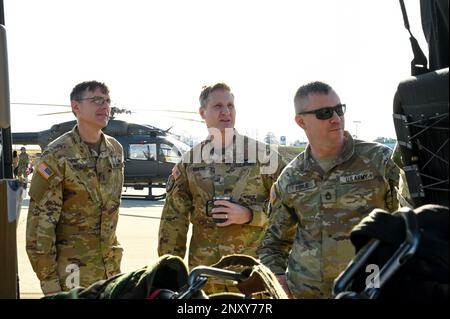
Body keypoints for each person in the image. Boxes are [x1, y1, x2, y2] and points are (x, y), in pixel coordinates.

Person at [258, 81, 401, 299]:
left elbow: (406, 225)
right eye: (324, 113)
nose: (336, 118)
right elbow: (273, 243)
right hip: (306, 293)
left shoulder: (379, 162)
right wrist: (280, 282)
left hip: (367, 289)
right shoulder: (291, 177)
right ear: (301, 121)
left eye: (339, 109)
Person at [158, 82, 285, 294]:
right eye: (218, 106)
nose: (226, 112)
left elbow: (288, 210)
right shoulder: (190, 161)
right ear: (202, 112)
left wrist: (250, 215)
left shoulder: (264, 157)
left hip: (252, 275)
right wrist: (169, 274)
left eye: (230, 105)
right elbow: (173, 222)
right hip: (206, 275)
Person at [26, 81, 124, 296]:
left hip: (110, 271)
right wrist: (50, 283)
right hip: (72, 273)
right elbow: (39, 226)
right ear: (76, 107)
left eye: (107, 100)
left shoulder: (115, 149)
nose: (105, 106)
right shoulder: (56, 155)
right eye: (96, 100)